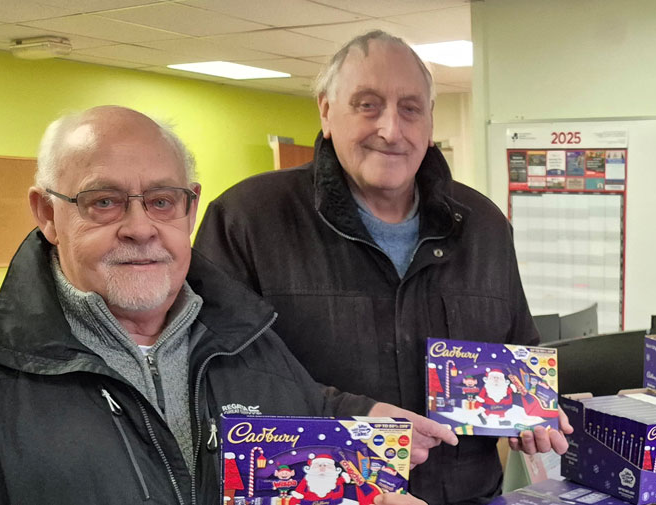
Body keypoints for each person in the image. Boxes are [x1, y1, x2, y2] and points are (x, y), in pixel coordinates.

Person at [0, 106, 453, 505]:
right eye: (103, 201)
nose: (139, 227)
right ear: (46, 213)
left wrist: (361, 423)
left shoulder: (249, 336)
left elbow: (299, 413)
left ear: (190, 206)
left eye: (162, 201)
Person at [194, 31, 568, 504]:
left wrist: (533, 412)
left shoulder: (484, 225)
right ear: (326, 112)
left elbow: (519, 349)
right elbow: (216, 381)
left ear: (429, 122)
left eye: (411, 108)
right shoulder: (247, 219)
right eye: (367, 105)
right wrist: (350, 414)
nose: (392, 129)